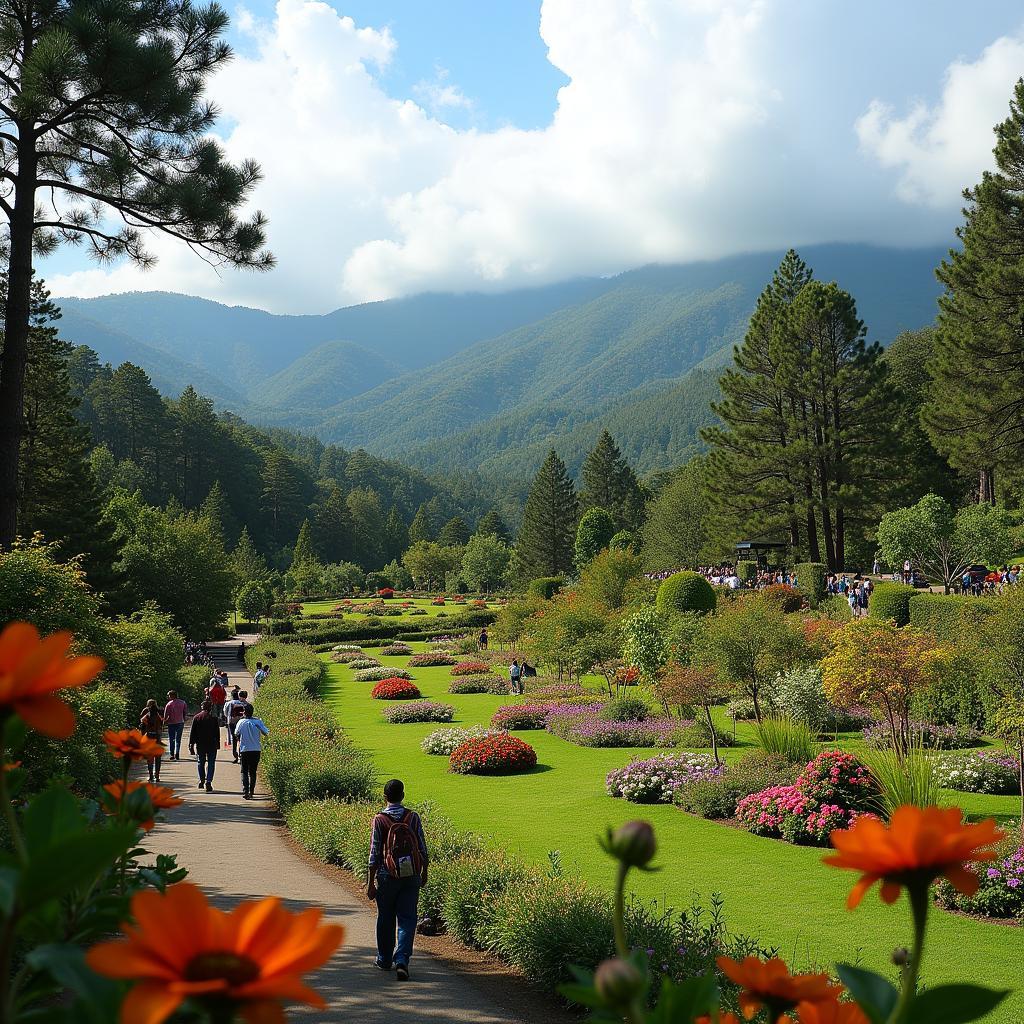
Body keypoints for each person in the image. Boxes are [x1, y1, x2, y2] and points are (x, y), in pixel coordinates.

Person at [366, 779, 428, 981]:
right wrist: (424, 872)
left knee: (385, 916)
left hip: (387, 875)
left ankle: (384, 959)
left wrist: (370, 883)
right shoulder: (413, 817)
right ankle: (402, 959)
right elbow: (422, 848)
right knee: (408, 918)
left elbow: (374, 854)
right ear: (402, 795)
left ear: (385, 797)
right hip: (411, 875)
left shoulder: (380, 819)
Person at [235, 705, 269, 799]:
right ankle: (252, 792)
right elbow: (266, 732)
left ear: (244, 712)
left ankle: (246, 791)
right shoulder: (257, 721)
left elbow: (236, 733)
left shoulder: (241, 722)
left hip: (245, 749)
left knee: (244, 771)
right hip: (256, 749)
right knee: (253, 772)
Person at [189, 699, 221, 792]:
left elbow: (193, 733)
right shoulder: (214, 718)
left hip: (200, 744)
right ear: (210, 708)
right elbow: (217, 733)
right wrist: (218, 743)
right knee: (211, 763)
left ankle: (202, 780)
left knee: (200, 762)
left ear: (202, 707)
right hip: (212, 744)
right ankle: (209, 781)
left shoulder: (196, 717)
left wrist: (191, 744)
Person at [139, 700, 164, 783]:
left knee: (150, 757)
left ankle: (150, 776)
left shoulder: (147, 714)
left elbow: (142, 722)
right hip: (157, 737)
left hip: (149, 737)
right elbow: (163, 722)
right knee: (158, 758)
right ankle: (157, 775)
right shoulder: (159, 713)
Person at [223, 688, 248, 762]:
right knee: (241, 739)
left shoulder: (229, 703)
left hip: (231, 722)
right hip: (241, 723)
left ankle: (235, 755)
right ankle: (241, 755)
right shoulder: (243, 703)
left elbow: (225, 713)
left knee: (233, 738)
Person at [163, 690, 188, 761]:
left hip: (171, 723)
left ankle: (172, 754)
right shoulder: (183, 703)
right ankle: (177, 753)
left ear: (172, 695)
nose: (168, 697)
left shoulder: (169, 704)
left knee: (172, 739)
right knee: (178, 739)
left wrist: (164, 723)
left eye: (169, 695)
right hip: (180, 722)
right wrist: (183, 719)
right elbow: (185, 713)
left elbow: (165, 716)